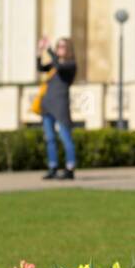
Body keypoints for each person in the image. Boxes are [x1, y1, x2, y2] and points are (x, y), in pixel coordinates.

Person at [37, 36, 77, 180]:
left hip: (60, 106)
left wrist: (50, 50)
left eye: (62, 46)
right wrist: (40, 52)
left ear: (68, 50)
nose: (60, 49)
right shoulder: (53, 65)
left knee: (65, 138)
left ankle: (70, 167)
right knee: (50, 138)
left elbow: (59, 67)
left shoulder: (71, 65)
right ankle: (52, 167)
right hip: (47, 105)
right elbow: (41, 68)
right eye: (58, 46)